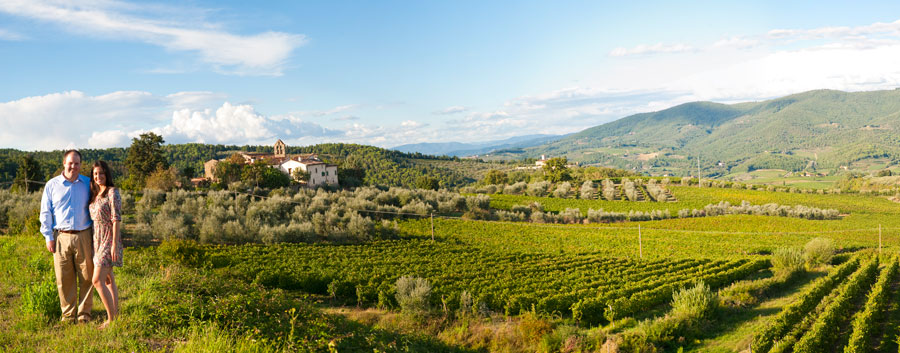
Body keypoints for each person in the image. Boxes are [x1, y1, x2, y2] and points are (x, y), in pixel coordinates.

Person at [40, 150, 94, 324]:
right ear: (64, 163)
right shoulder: (52, 185)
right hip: (60, 237)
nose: (73, 166)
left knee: (87, 276)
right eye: (70, 163)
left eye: (77, 163)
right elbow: (45, 212)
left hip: (84, 235)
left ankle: (84, 314)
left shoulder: (88, 183)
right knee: (64, 278)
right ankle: (68, 315)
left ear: (80, 165)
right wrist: (48, 236)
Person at [89, 160, 122, 330]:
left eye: (101, 173)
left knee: (97, 280)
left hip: (109, 240)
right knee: (108, 279)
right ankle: (115, 314)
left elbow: (116, 219)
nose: (98, 176)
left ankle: (110, 319)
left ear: (106, 174)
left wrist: (114, 245)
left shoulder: (112, 192)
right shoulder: (95, 194)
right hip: (97, 240)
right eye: (95, 174)